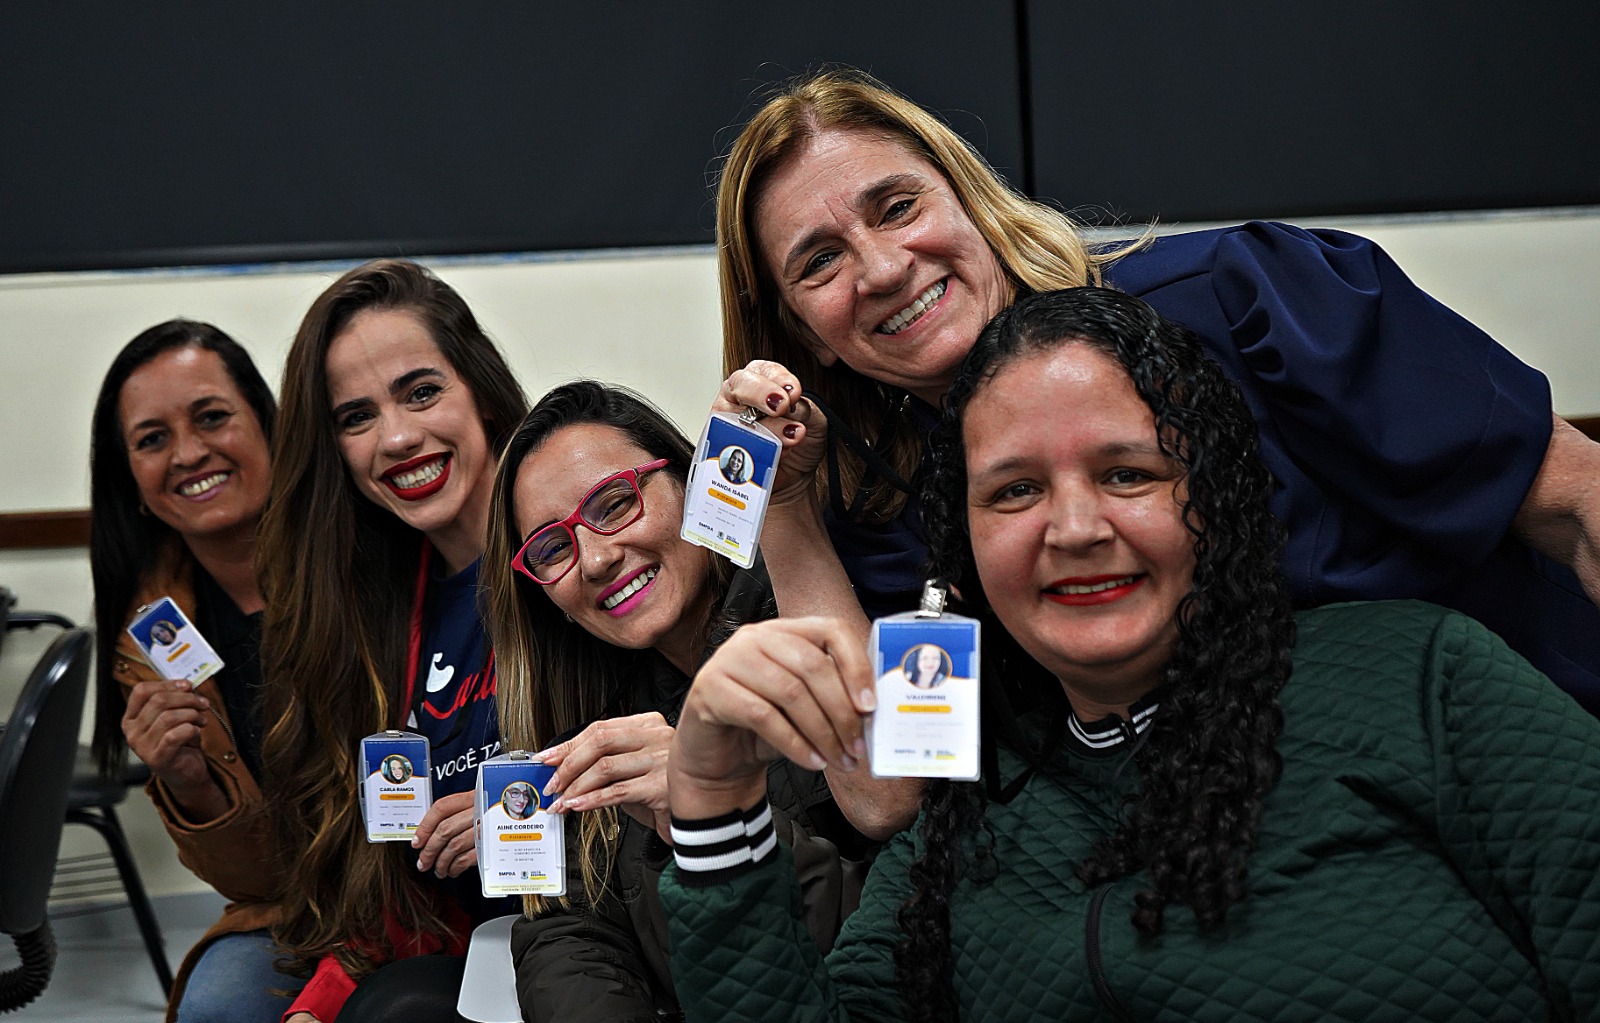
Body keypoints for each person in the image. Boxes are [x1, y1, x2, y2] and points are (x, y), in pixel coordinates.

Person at [661, 288, 1600, 1021]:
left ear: (1214, 498)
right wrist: (713, 803)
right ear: (967, 552)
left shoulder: (1421, 679)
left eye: (1127, 474)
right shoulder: (975, 805)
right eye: (1016, 490)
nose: (1073, 527)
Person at [707, 70, 1600, 798]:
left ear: (969, 198)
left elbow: (1579, 506)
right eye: (818, 261)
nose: (884, 267)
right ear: (796, 332)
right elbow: (892, 789)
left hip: (1529, 769)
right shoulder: (901, 508)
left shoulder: (1249, 297)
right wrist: (782, 505)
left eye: (897, 207)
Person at [481, 380, 868, 1022]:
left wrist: (712, 809)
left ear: (692, 480)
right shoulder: (591, 700)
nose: (597, 558)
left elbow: (896, 921)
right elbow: (568, 930)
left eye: (614, 504)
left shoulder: (811, 621)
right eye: (552, 547)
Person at [257, 259, 528, 1023]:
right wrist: (315, 1009)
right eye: (356, 416)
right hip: (453, 957)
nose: (399, 436)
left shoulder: (582, 561)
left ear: (480, 388)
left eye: (421, 391)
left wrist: (526, 818)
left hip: (593, 937)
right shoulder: (368, 617)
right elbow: (384, 886)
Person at [88, 319, 298, 1022]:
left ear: (268, 427)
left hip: (424, 887)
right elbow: (254, 882)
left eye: (212, 417)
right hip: (290, 912)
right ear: (134, 482)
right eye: (151, 439)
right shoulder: (147, 641)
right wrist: (188, 783)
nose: (188, 453)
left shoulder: (371, 561)